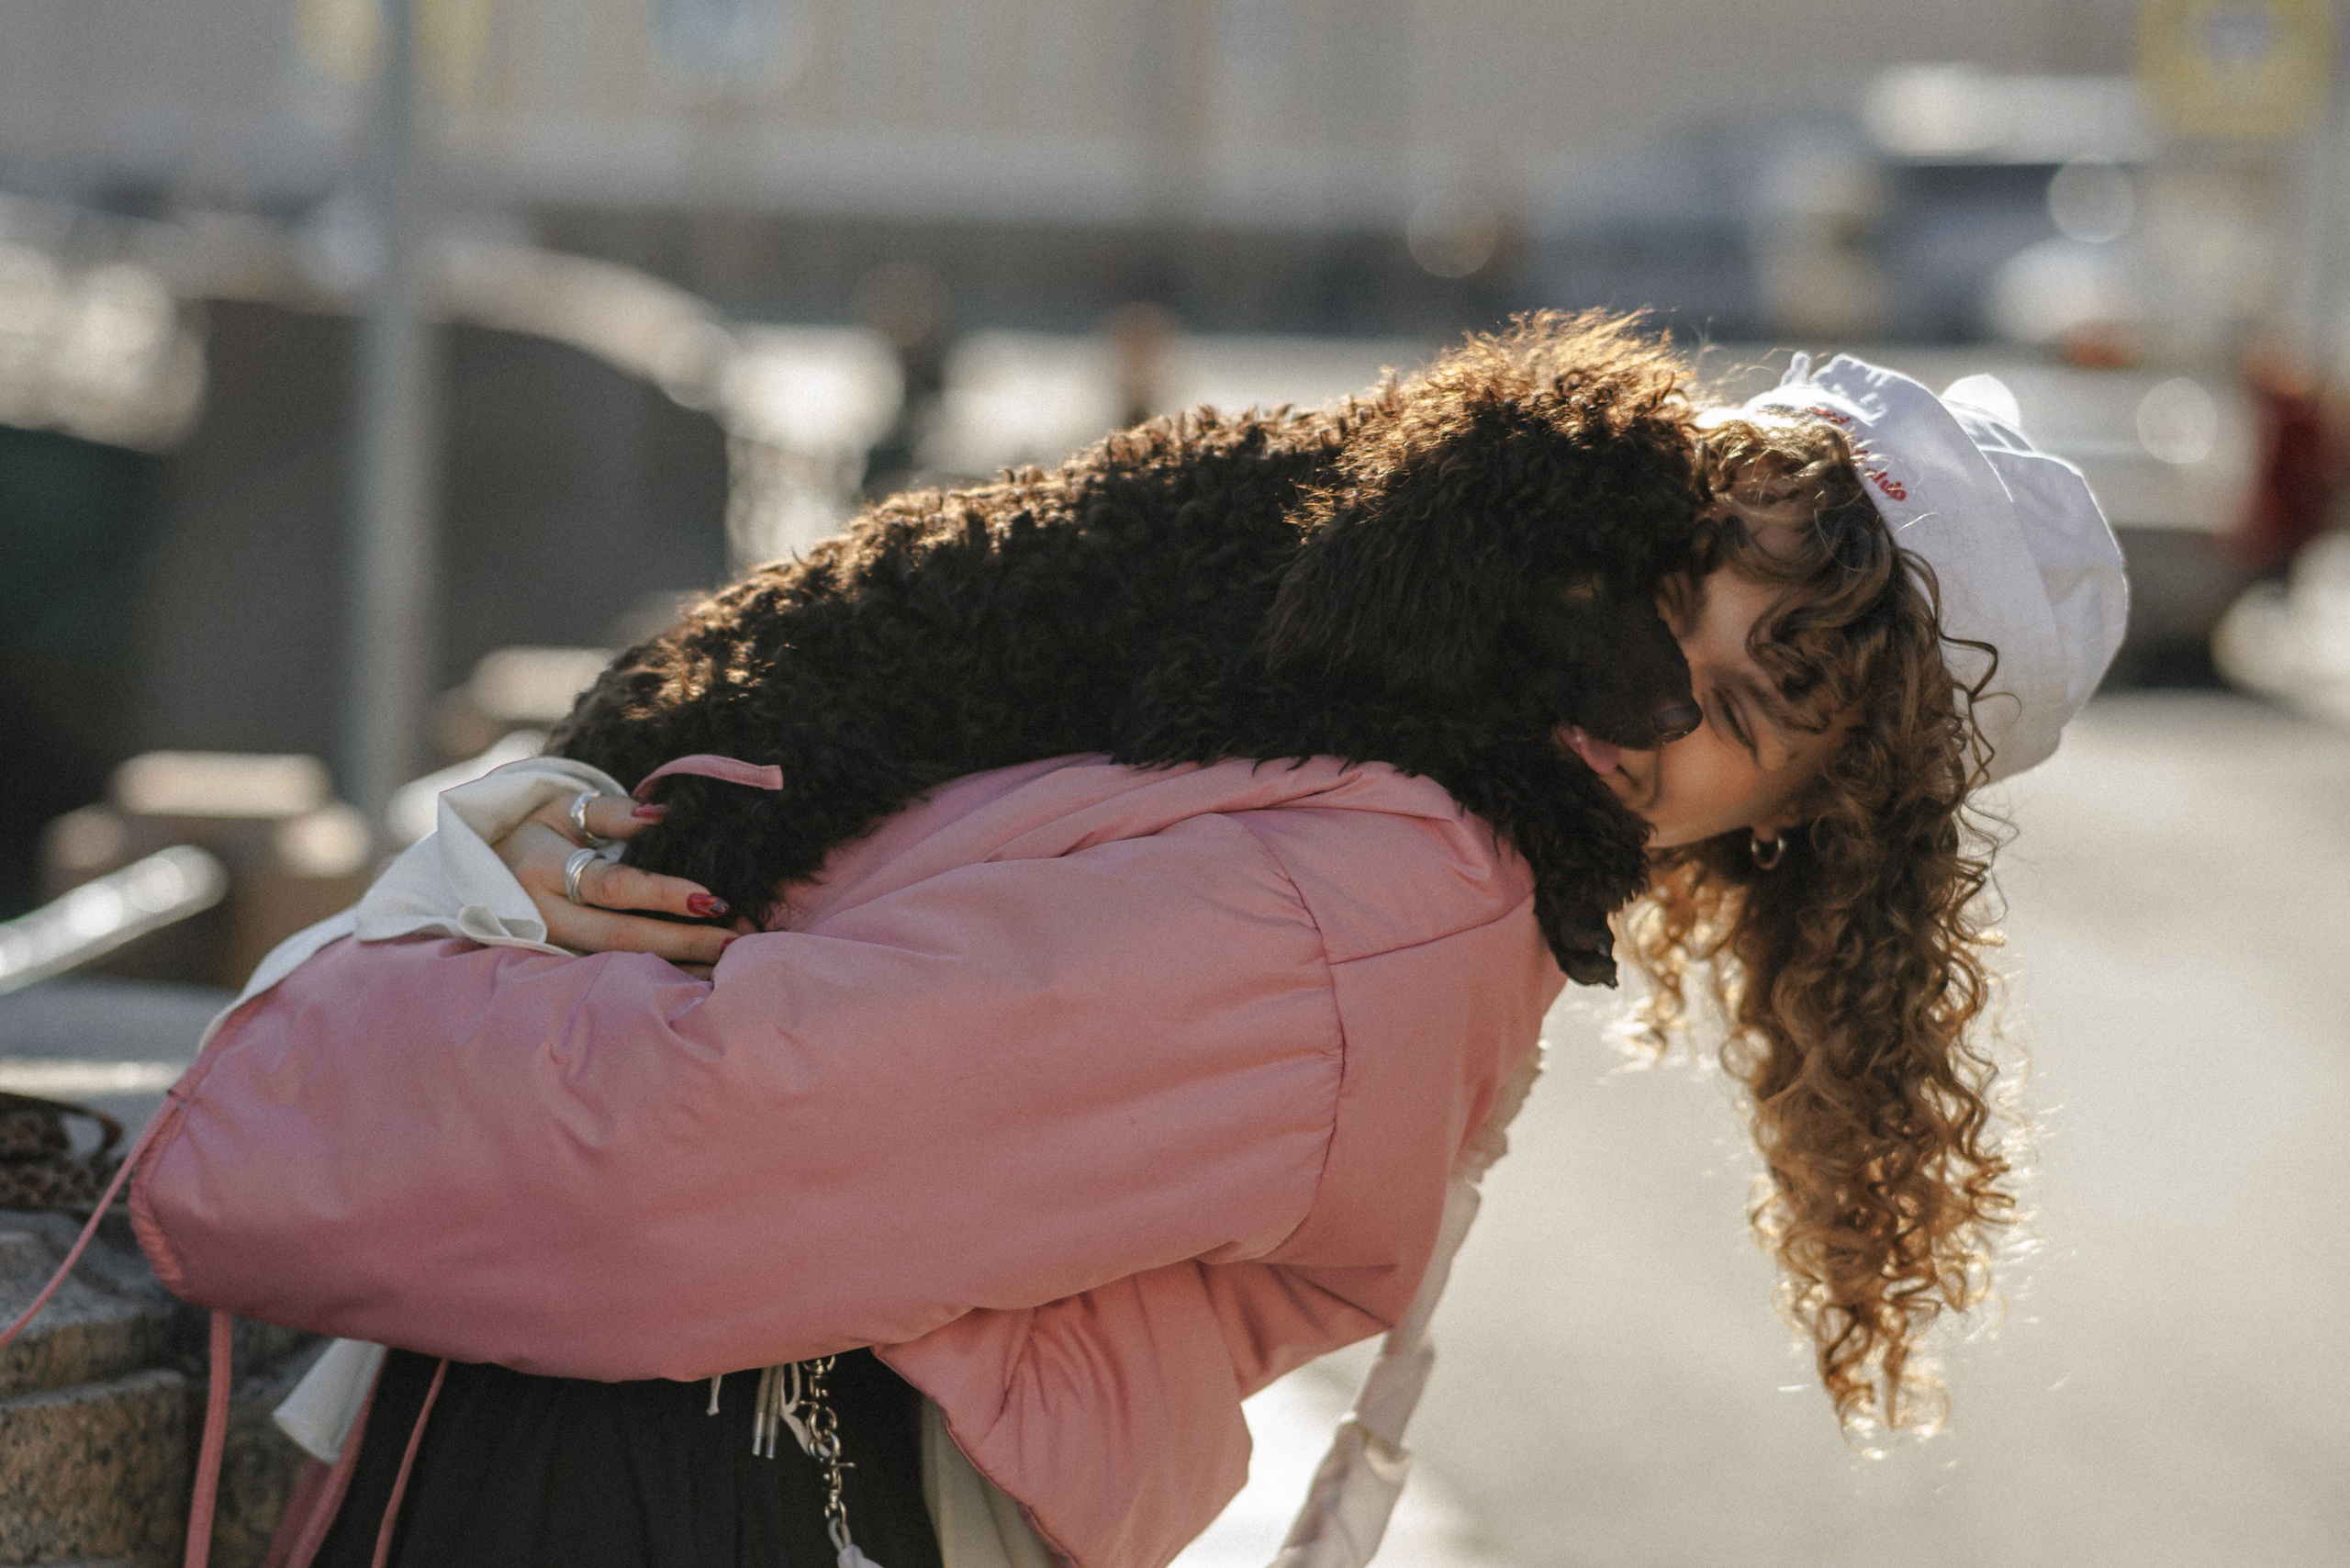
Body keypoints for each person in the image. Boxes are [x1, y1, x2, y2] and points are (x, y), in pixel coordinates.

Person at [132, 353, 2124, 1568]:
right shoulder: (1367, 748)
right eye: (1676, 592)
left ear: (1799, 825)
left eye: (1748, 709)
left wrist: (320, 1023)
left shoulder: (1381, 905)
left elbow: (679, 1150)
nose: (1646, 696)